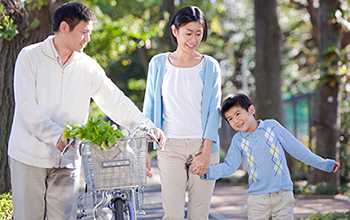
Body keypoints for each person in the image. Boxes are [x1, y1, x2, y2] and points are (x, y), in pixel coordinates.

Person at [8, 2, 165, 220]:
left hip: (68, 159)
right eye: (84, 32)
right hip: (29, 155)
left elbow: (115, 100)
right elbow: (27, 109)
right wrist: (56, 135)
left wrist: (146, 126)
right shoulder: (30, 57)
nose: (88, 38)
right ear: (64, 28)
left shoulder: (88, 66)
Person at [201, 93, 340, 220]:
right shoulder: (238, 140)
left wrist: (325, 164)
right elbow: (229, 166)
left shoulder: (272, 127)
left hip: (283, 195)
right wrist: (207, 171)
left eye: (238, 114)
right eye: (230, 119)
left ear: (251, 110)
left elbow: (298, 149)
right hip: (257, 199)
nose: (235, 121)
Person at [143, 6, 221, 220]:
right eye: (188, 33)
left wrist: (205, 152)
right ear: (175, 31)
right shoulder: (158, 63)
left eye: (199, 33)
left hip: (203, 146)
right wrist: (145, 151)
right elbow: (149, 108)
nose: (194, 39)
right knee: (173, 214)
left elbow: (214, 111)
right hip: (170, 146)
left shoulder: (210, 66)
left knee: (199, 215)